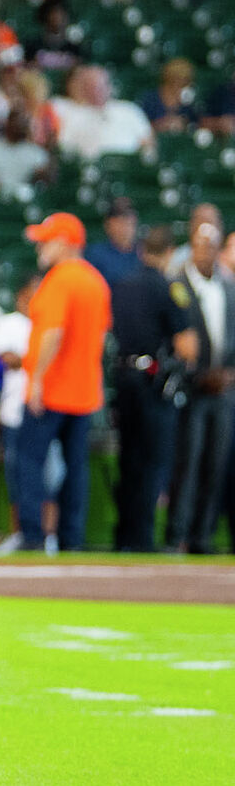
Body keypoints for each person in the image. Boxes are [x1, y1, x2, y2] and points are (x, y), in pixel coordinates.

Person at [16, 214, 112, 553]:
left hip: (53, 388)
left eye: (47, 240)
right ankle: (72, 537)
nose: (40, 246)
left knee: (28, 461)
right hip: (84, 390)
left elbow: (54, 333)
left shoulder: (60, 279)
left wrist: (38, 381)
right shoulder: (95, 281)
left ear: (66, 242)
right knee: (76, 468)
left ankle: (31, 535)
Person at [110, 227, 197, 553]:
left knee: (128, 460)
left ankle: (124, 537)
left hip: (123, 378)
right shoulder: (169, 287)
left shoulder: (121, 285)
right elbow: (187, 346)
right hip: (153, 382)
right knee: (152, 461)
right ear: (170, 252)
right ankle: (142, 538)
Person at [169, 221, 235, 554]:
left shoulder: (229, 288)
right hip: (192, 391)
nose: (206, 252)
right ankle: (176, 534)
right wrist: (197, 376)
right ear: (191, 248)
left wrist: (228, 374)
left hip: (224, 391)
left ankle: (201, 535)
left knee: (216, 464)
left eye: (212, 246)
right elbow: (174, 340)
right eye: (200, 245)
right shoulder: (177, 287)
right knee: (188, 463)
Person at [83, 198, 143, 288]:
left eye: (128, 220)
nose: (124, 226)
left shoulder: (144, 252)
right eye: (118, 221)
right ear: (107, 225)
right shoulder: (96, 254)